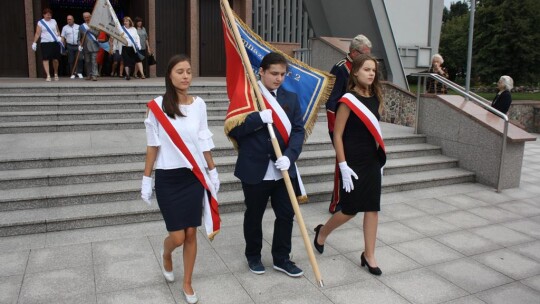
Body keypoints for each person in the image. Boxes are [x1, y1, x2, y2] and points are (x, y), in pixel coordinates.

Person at [141, 54, 220, 304]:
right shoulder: (156, 106)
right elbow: (152, 146)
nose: (186, 76)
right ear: (169, 75)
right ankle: (166, 254)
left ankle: (187, 282)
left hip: (192, 176)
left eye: (188, 71)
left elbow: (203, 139)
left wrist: (212, 169)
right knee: (177, 237)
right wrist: (146, 178)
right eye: (180, 71)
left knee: (191, 233)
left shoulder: (199, 105)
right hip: (168, 177)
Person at [228, 52, 305, 278]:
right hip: (255, 168)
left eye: (282, 74)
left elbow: (299, 131)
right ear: (261, 71)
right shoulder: (246, 96)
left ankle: (282, 258)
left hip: (283, 169)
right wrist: (257, 119)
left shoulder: (290, 98)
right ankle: (253, 255)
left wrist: (290, 156)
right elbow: (233, 129)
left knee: (285, 215)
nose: (279, 78)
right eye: (274, 73)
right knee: (254, 215)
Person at [313, 54, 386, 276]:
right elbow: (338, 135)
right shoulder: (347, 100)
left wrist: (380, 160)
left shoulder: (377, 98)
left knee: (372, 208)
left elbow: (374, 132)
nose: (371, 73)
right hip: (352, 161)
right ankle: (322, 233)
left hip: (371, 160)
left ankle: (369, 255)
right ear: (355, 72)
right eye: (366, 69)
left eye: (373, 70)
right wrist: (343, 164)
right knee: (350, 210)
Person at [327, 34, 372, 214]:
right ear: (353, 52)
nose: (368, 58)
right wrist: (335, 129)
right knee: (342, 162)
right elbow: (331, 101)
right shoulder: (340, 69)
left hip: (358, 126)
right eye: (364, 54)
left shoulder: (363, 69)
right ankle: (337, 202)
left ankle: (353, 196)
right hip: (342, 125)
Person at [31, 8, 62, 81]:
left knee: (55, 59)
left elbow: (57, 30)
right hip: (45, 42)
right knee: (45, 59)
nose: (49, 16)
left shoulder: (54, 21)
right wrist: (34, 42)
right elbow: (37, 33)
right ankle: (48, 75)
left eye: (50, 15)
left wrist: (59, 36)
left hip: (54, 42)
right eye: (47, 15)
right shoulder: (40, 22)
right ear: (44, 15)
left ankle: (55, 73)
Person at [61, 15, 83, 79]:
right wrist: (62, 47)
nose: (69, 21)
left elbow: (82, 36)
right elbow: (63, 38)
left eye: (70, 19)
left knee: (79, 59)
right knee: (71, 60)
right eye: (68, 19)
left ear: (73, 20)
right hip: (69, 45)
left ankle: (79, 72)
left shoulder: (78, 26)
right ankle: (73, 73)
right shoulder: (64, 28)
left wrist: (81, 45)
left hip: (78, 45)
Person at [79, 12, 100, 81]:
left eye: (88, 17)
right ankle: (89, 75)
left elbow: (97, 34)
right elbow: (79, 38)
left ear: (90, 17)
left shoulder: (95, 25)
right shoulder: (82, 26)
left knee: (94, 61)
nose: (86, 19)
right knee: (87, 61)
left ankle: (94, 75)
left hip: (94, 46)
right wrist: (79, 44)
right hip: (85, 47)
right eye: (85, 17)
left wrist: (90, 30)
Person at [120, 16, 141, 80]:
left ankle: (128, 73)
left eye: (127, 21)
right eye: (124, 21)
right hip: (124, 47)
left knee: (131, 62)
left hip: (132, 47)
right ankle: (127, 75)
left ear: (129, 22)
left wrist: (138, 45)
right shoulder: (121, 29)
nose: (125, 22)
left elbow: (137, 38)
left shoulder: (133, 29)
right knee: (126, 61)